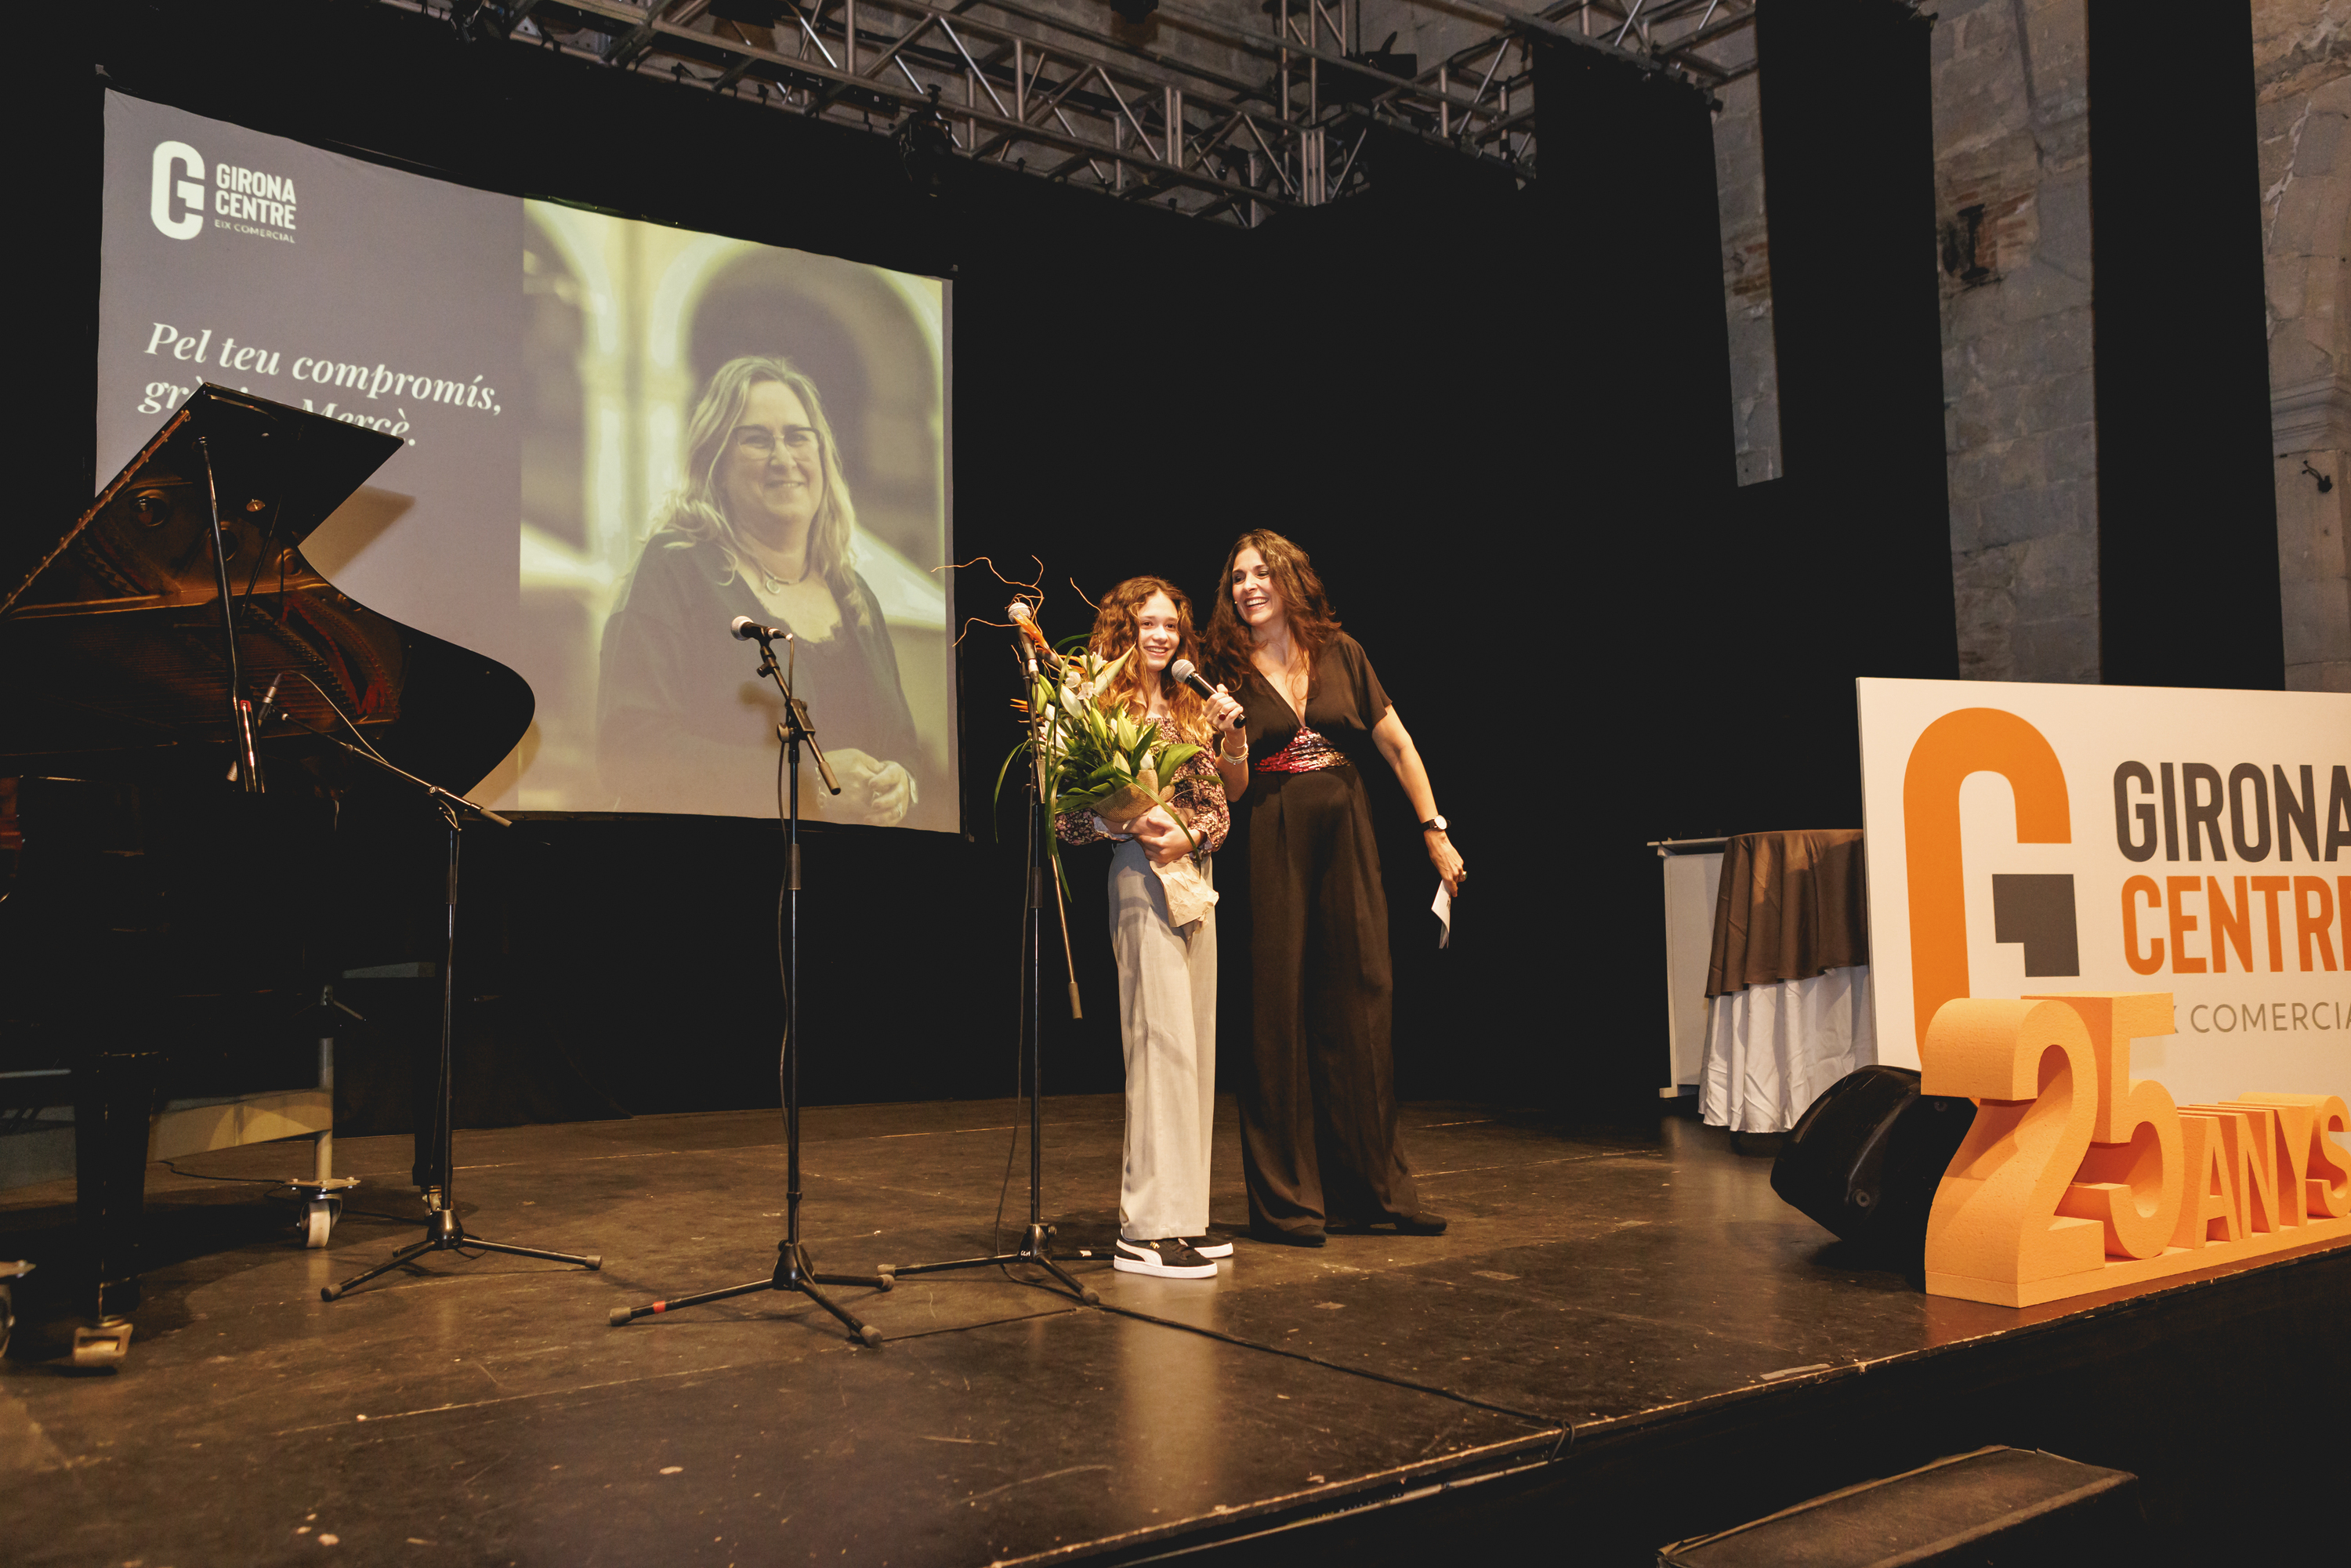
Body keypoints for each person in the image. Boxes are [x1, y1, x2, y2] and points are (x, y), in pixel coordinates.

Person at [1205, 530, 1465, 1247]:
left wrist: (1433, 828)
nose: (1247, 586)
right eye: (1237, 578)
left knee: (1361, 999)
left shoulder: (1342, 653)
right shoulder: (1219, 667)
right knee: (1275, 1013)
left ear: (1290, 578)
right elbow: (1227, 783)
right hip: (1268, 833)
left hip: (1347, 832)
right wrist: (1230, 741)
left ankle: (1373, 1190)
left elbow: (1397, 742)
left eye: (1261, 573)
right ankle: (1289, 1202)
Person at [596, 355, 924, 823]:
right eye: (756, 439)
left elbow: (905, 747)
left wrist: (902, 784)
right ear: (717, 463)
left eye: (797, 437)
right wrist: (808, 782)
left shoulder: (855, 595)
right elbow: (629, 751)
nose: (784, 458)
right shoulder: (675, 567)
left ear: (823, 457)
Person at [1054, 578, 1249, 1279]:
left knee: (1194, 1049)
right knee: (1159, 1043)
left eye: (1171, 625)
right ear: (1124, 629)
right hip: (1139, 877)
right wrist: (1126, 819)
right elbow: (1067, 817)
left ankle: (1185, 1215)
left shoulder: (1195, 707)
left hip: (1197, 882)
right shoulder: (1100, 708)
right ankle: (1145, 1227)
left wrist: (1199, 813)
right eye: (1148, 623)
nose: (1162, 635)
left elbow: (1223, 806)